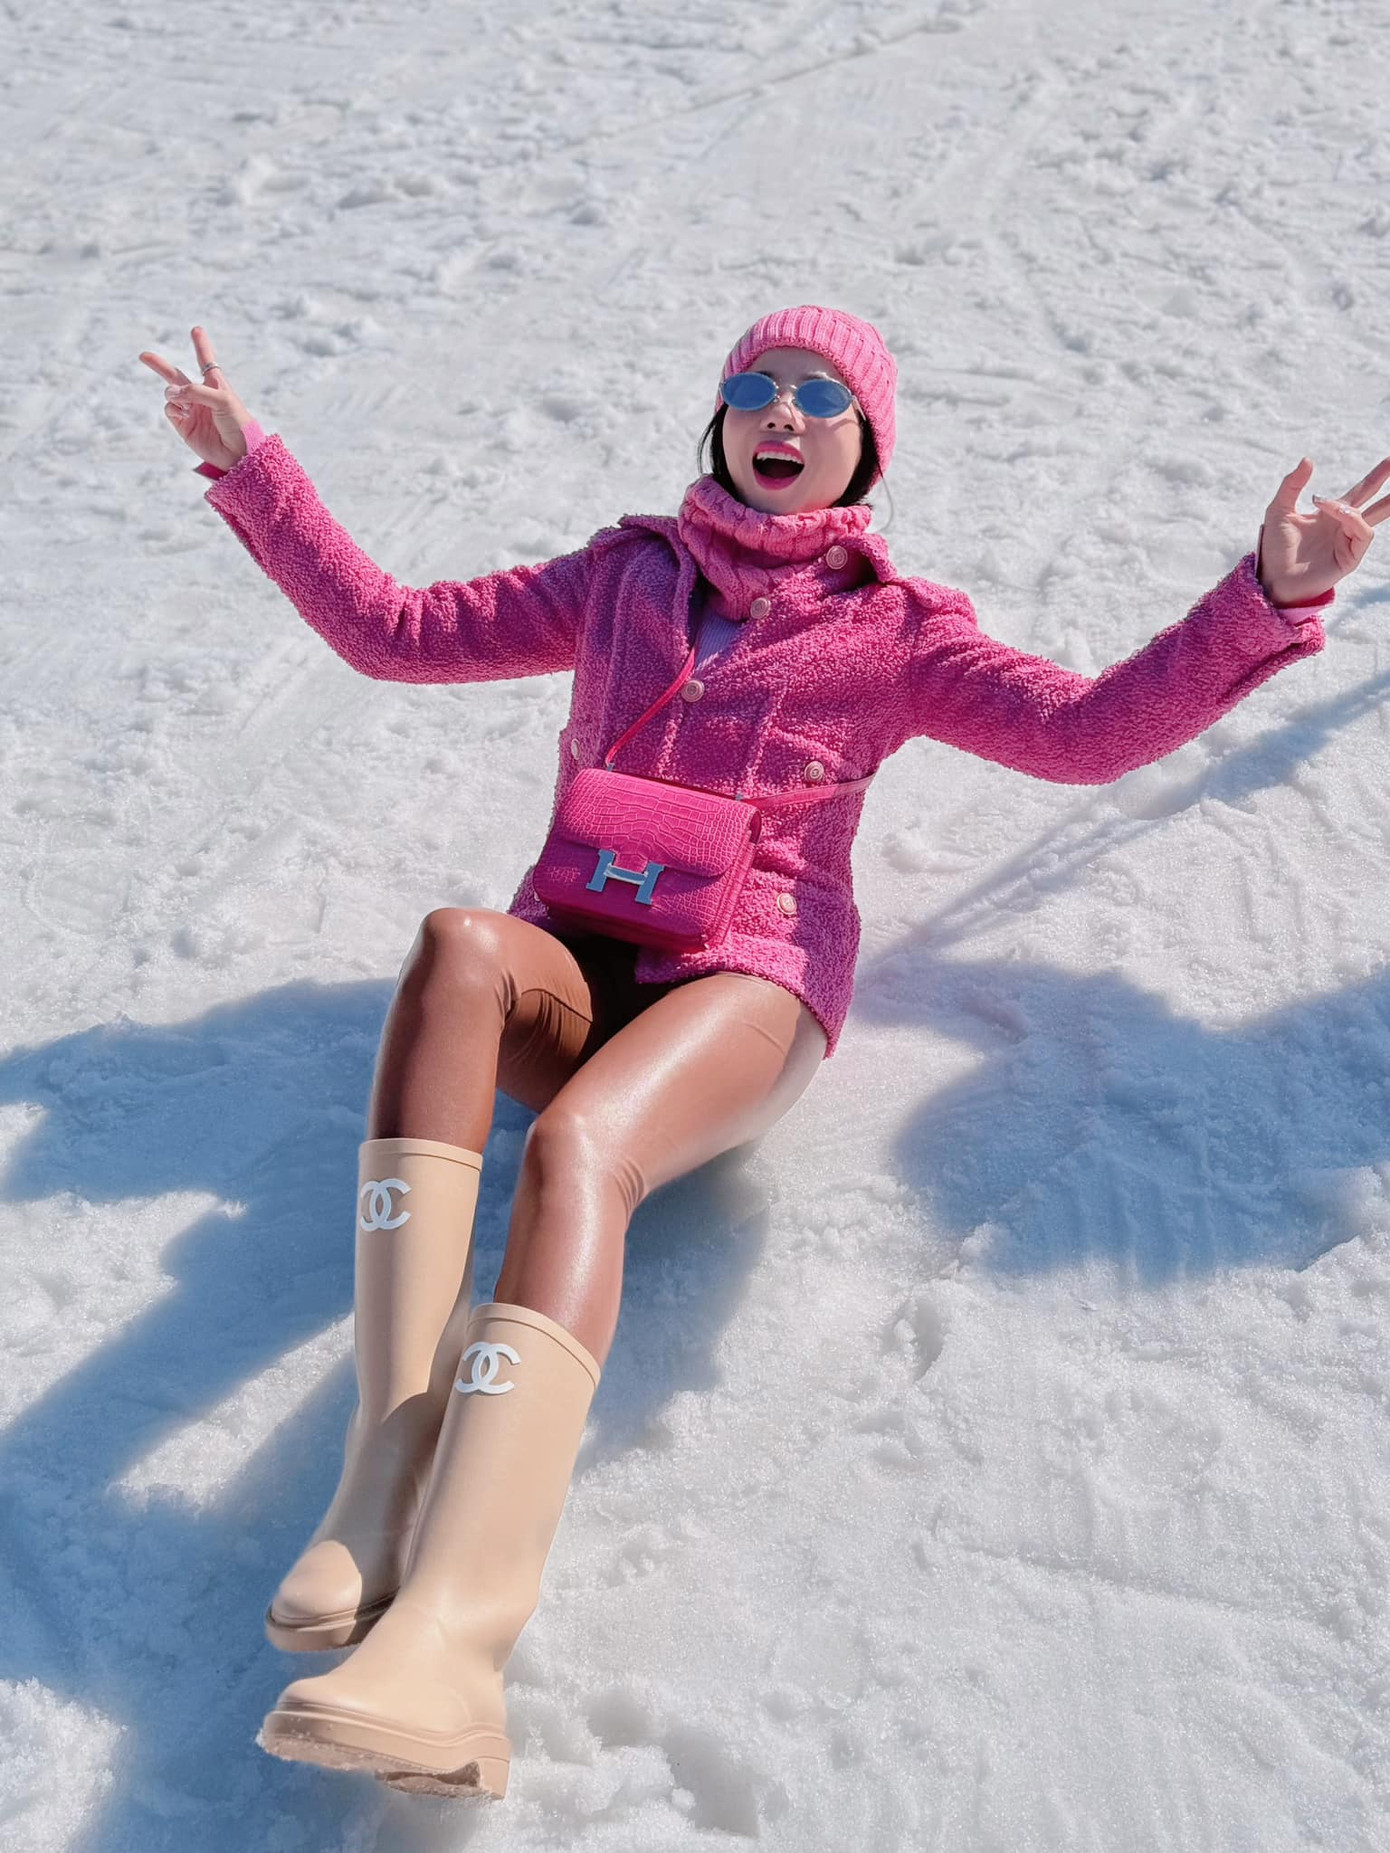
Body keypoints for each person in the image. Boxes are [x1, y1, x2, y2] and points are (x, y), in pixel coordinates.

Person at [138, 310, 1383, 1799]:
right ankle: (386, 1462)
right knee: (461, 947)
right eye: (755, 386)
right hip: (579, 951)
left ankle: (454, 1644)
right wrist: (252, 467)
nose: (780, 412)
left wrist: (1264, 598)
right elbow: (395, 631)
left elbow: (1083, 734)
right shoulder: (625, 578)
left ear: (866, 445)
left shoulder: (895, 631)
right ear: (721, 418)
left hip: (749, 983)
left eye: (820, 397)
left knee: (581, 1148)